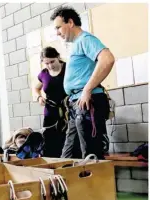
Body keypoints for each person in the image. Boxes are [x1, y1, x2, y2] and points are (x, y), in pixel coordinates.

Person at [50, 6, 115, 159]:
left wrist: (87, 90)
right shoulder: (77, 44)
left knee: (91, 155)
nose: (57, 32)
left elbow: (107, 59)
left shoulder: (86, 39)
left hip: (87, 103)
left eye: (59, 27)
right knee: (68, 156)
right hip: (76, 106)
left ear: (70, 22)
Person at [34, 47, 67, 158]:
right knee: (50, 143)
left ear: (58, 57)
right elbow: (36, 88)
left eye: (52, 61)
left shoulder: (68, 68)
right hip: (50, 112)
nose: (50, 66)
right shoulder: (43, 73)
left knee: (67, 141)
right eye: (46, 63)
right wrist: (39, 97)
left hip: (67, 110)